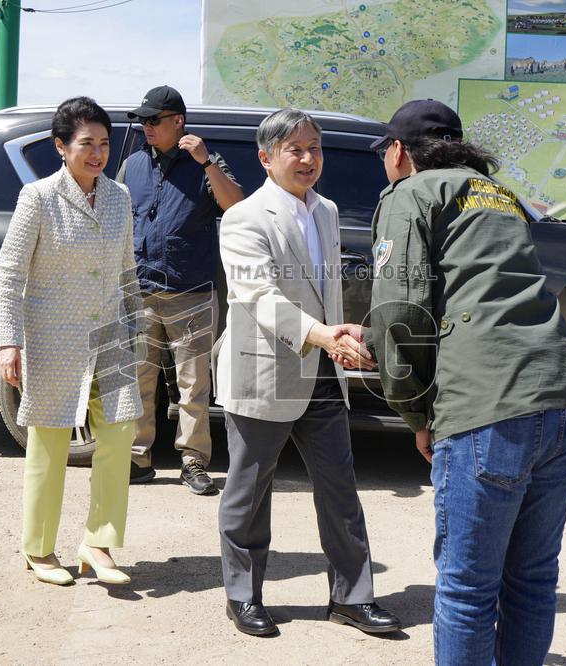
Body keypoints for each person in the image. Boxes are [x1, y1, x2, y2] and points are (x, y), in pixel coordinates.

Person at [364, 99, 566, 665]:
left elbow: (400, 314)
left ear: (399, 152)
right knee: (532, 581)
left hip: (489, 407)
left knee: (468, 588)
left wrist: (415, 414)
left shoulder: (410, 194)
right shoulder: (498, 193)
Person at [214, 108, 401, 637]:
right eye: (294, 149)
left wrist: (334, 343)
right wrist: (322, 335)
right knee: (249, 493)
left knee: (340, 489)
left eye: (314, 148)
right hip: (264, 371)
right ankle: (243, 596)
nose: (308, 158)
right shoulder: (244, 218)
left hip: (322, 372)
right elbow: (258, 296)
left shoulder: (326, 210)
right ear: (265, 158)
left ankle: (352, 597)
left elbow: (325, 292)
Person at [0, 97, 143, 586]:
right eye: (86, 144)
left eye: (103, 143)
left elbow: (126, 268)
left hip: (112, 335)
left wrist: (135, 324)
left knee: (120, 434)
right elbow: (9, 273)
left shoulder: (119, 196)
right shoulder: (38, 197)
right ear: (61, 147)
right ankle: (38, 550)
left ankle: (96, 544)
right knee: (50, 440)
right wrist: (8, 341)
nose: (97, 153)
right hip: (52, 336)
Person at [119, 85, 244, 495]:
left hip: (191, 292)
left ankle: (193, 461)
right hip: (141, 290)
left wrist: (206, 161)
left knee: (193, 386)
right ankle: (137, 458)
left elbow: (235, 205)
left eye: (154, 120)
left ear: (179, 122)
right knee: (139, 380)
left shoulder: (205, 163)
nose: (146, 127)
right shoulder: (133, 164)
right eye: (142, 121)